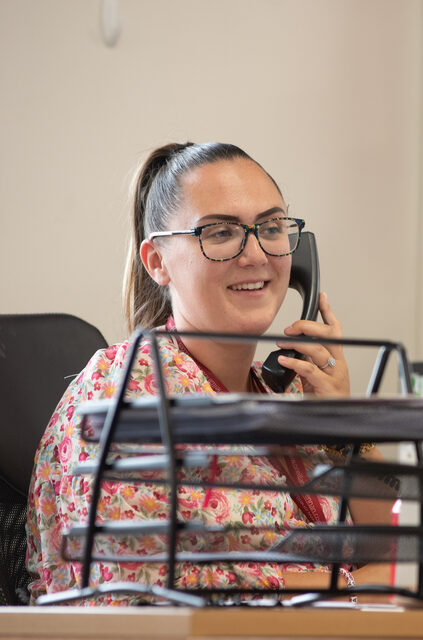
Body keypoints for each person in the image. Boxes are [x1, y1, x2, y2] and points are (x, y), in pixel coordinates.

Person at [26, 142, 391, 604]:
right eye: (220, 233)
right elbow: (165, 588)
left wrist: (348, 425)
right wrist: (360, 588)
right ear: (158, 262)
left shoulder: (286, 394)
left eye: (271, 227)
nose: (255, 255)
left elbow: (400, 548)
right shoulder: (125, 390)